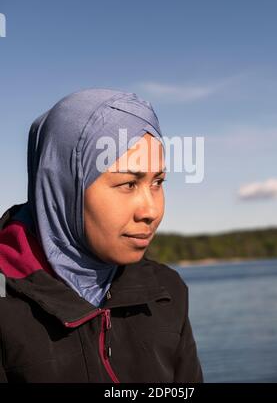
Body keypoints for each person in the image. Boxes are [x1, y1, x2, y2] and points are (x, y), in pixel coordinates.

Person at [0, 88, 203, 383]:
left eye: (157, 181)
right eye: (128, 184)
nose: (151, 210)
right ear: (65, 187)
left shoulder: (167, 291)